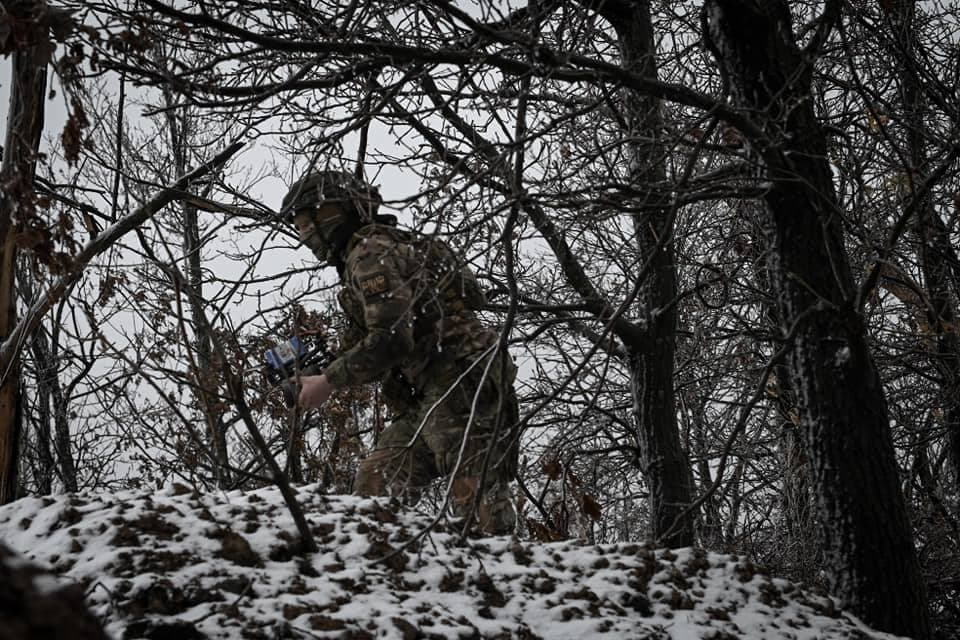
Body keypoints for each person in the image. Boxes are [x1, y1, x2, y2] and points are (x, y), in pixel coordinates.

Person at [282, 170, 518, 535]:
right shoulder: (375, 251)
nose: (304, 235)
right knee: (373, 491)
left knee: (480, 509)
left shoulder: (370, 253)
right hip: (428, 395)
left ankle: (506, 584)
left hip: (462, 382)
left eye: (304, 224)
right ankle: (380, 582)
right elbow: (378, 344)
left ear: (329, 213)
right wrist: (320, 370)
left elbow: (392, 340)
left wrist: (327, 382)